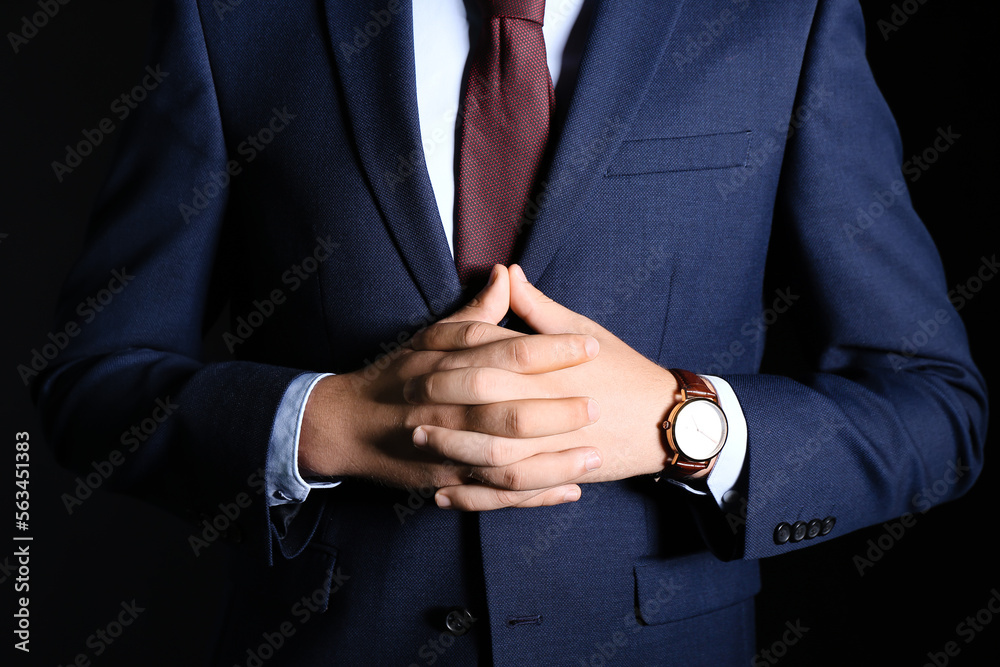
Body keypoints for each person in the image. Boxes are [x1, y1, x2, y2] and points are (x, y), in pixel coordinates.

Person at [37, 0, 987, 664]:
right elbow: (88, 383)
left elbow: (937, 412)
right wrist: (328, 424)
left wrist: (683, 421)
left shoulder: (781, 13)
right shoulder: (236, 16)